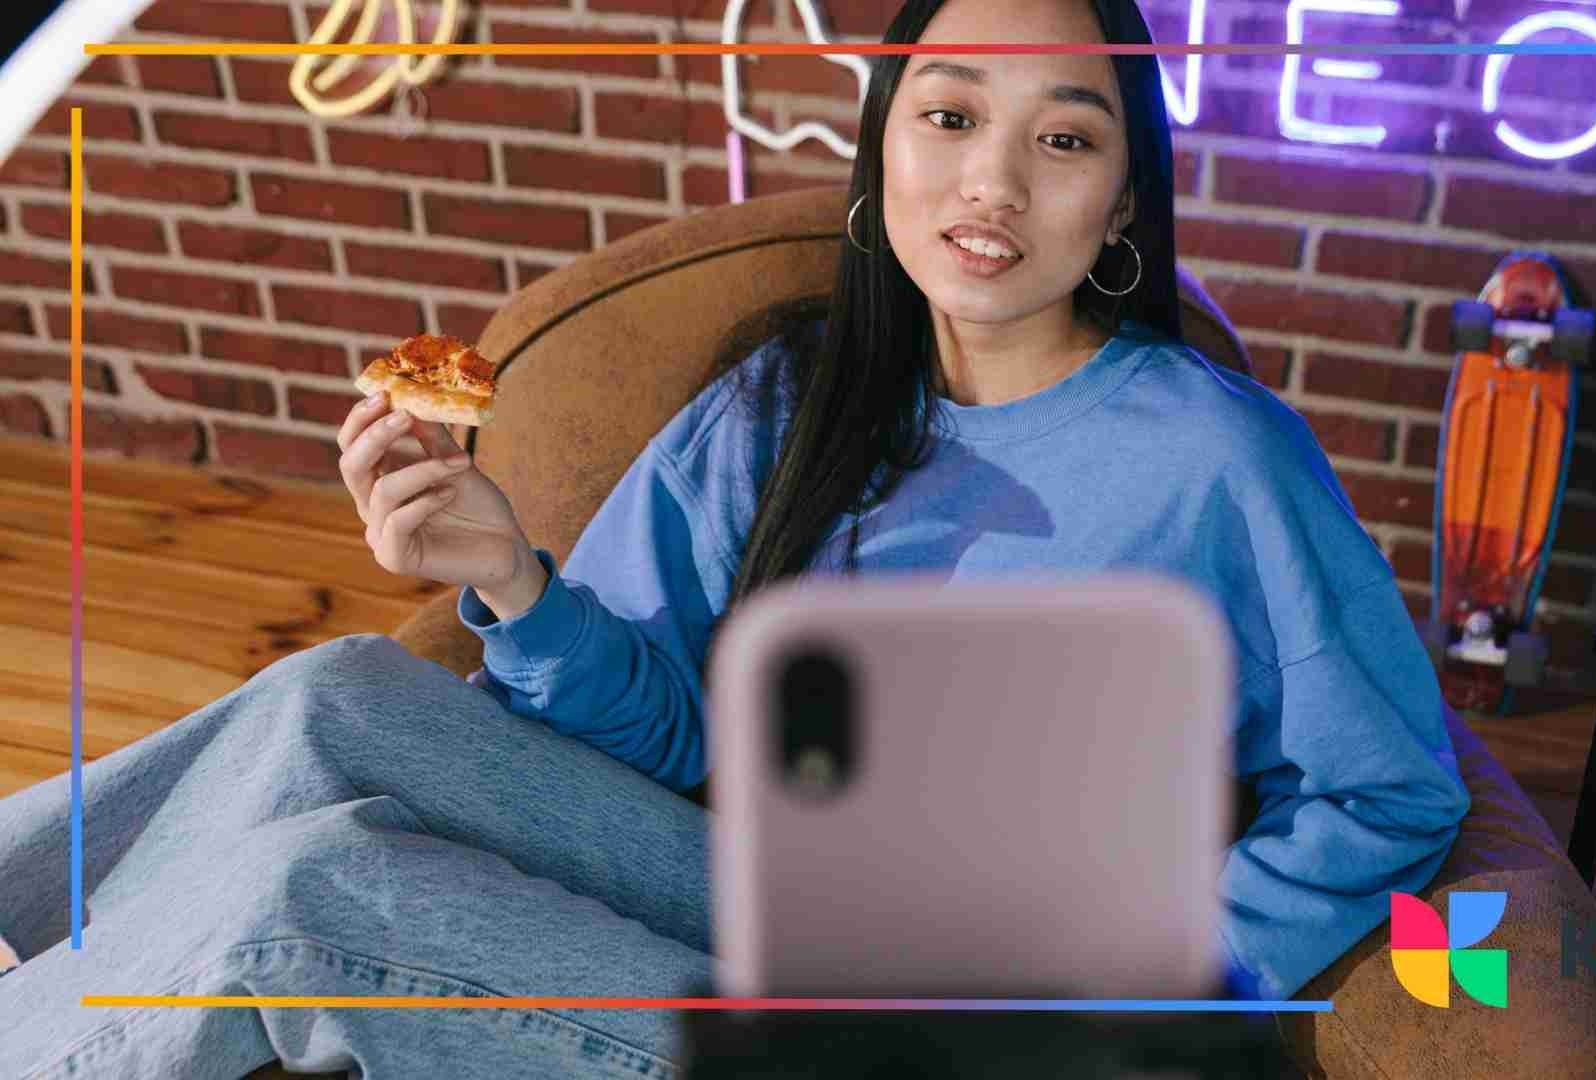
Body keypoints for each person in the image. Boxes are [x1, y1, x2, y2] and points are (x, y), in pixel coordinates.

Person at [0, 0, 1470, 1075]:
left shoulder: (1218, 459)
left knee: (305, 898)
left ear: (1126, 192)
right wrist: (509, 578)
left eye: (1064, 138)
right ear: (883, 142)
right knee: (338, 693)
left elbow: (1389, 791)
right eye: (951, 117)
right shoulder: (789, 399)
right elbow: (669, 735)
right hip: (737, 887)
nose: (994, 184)